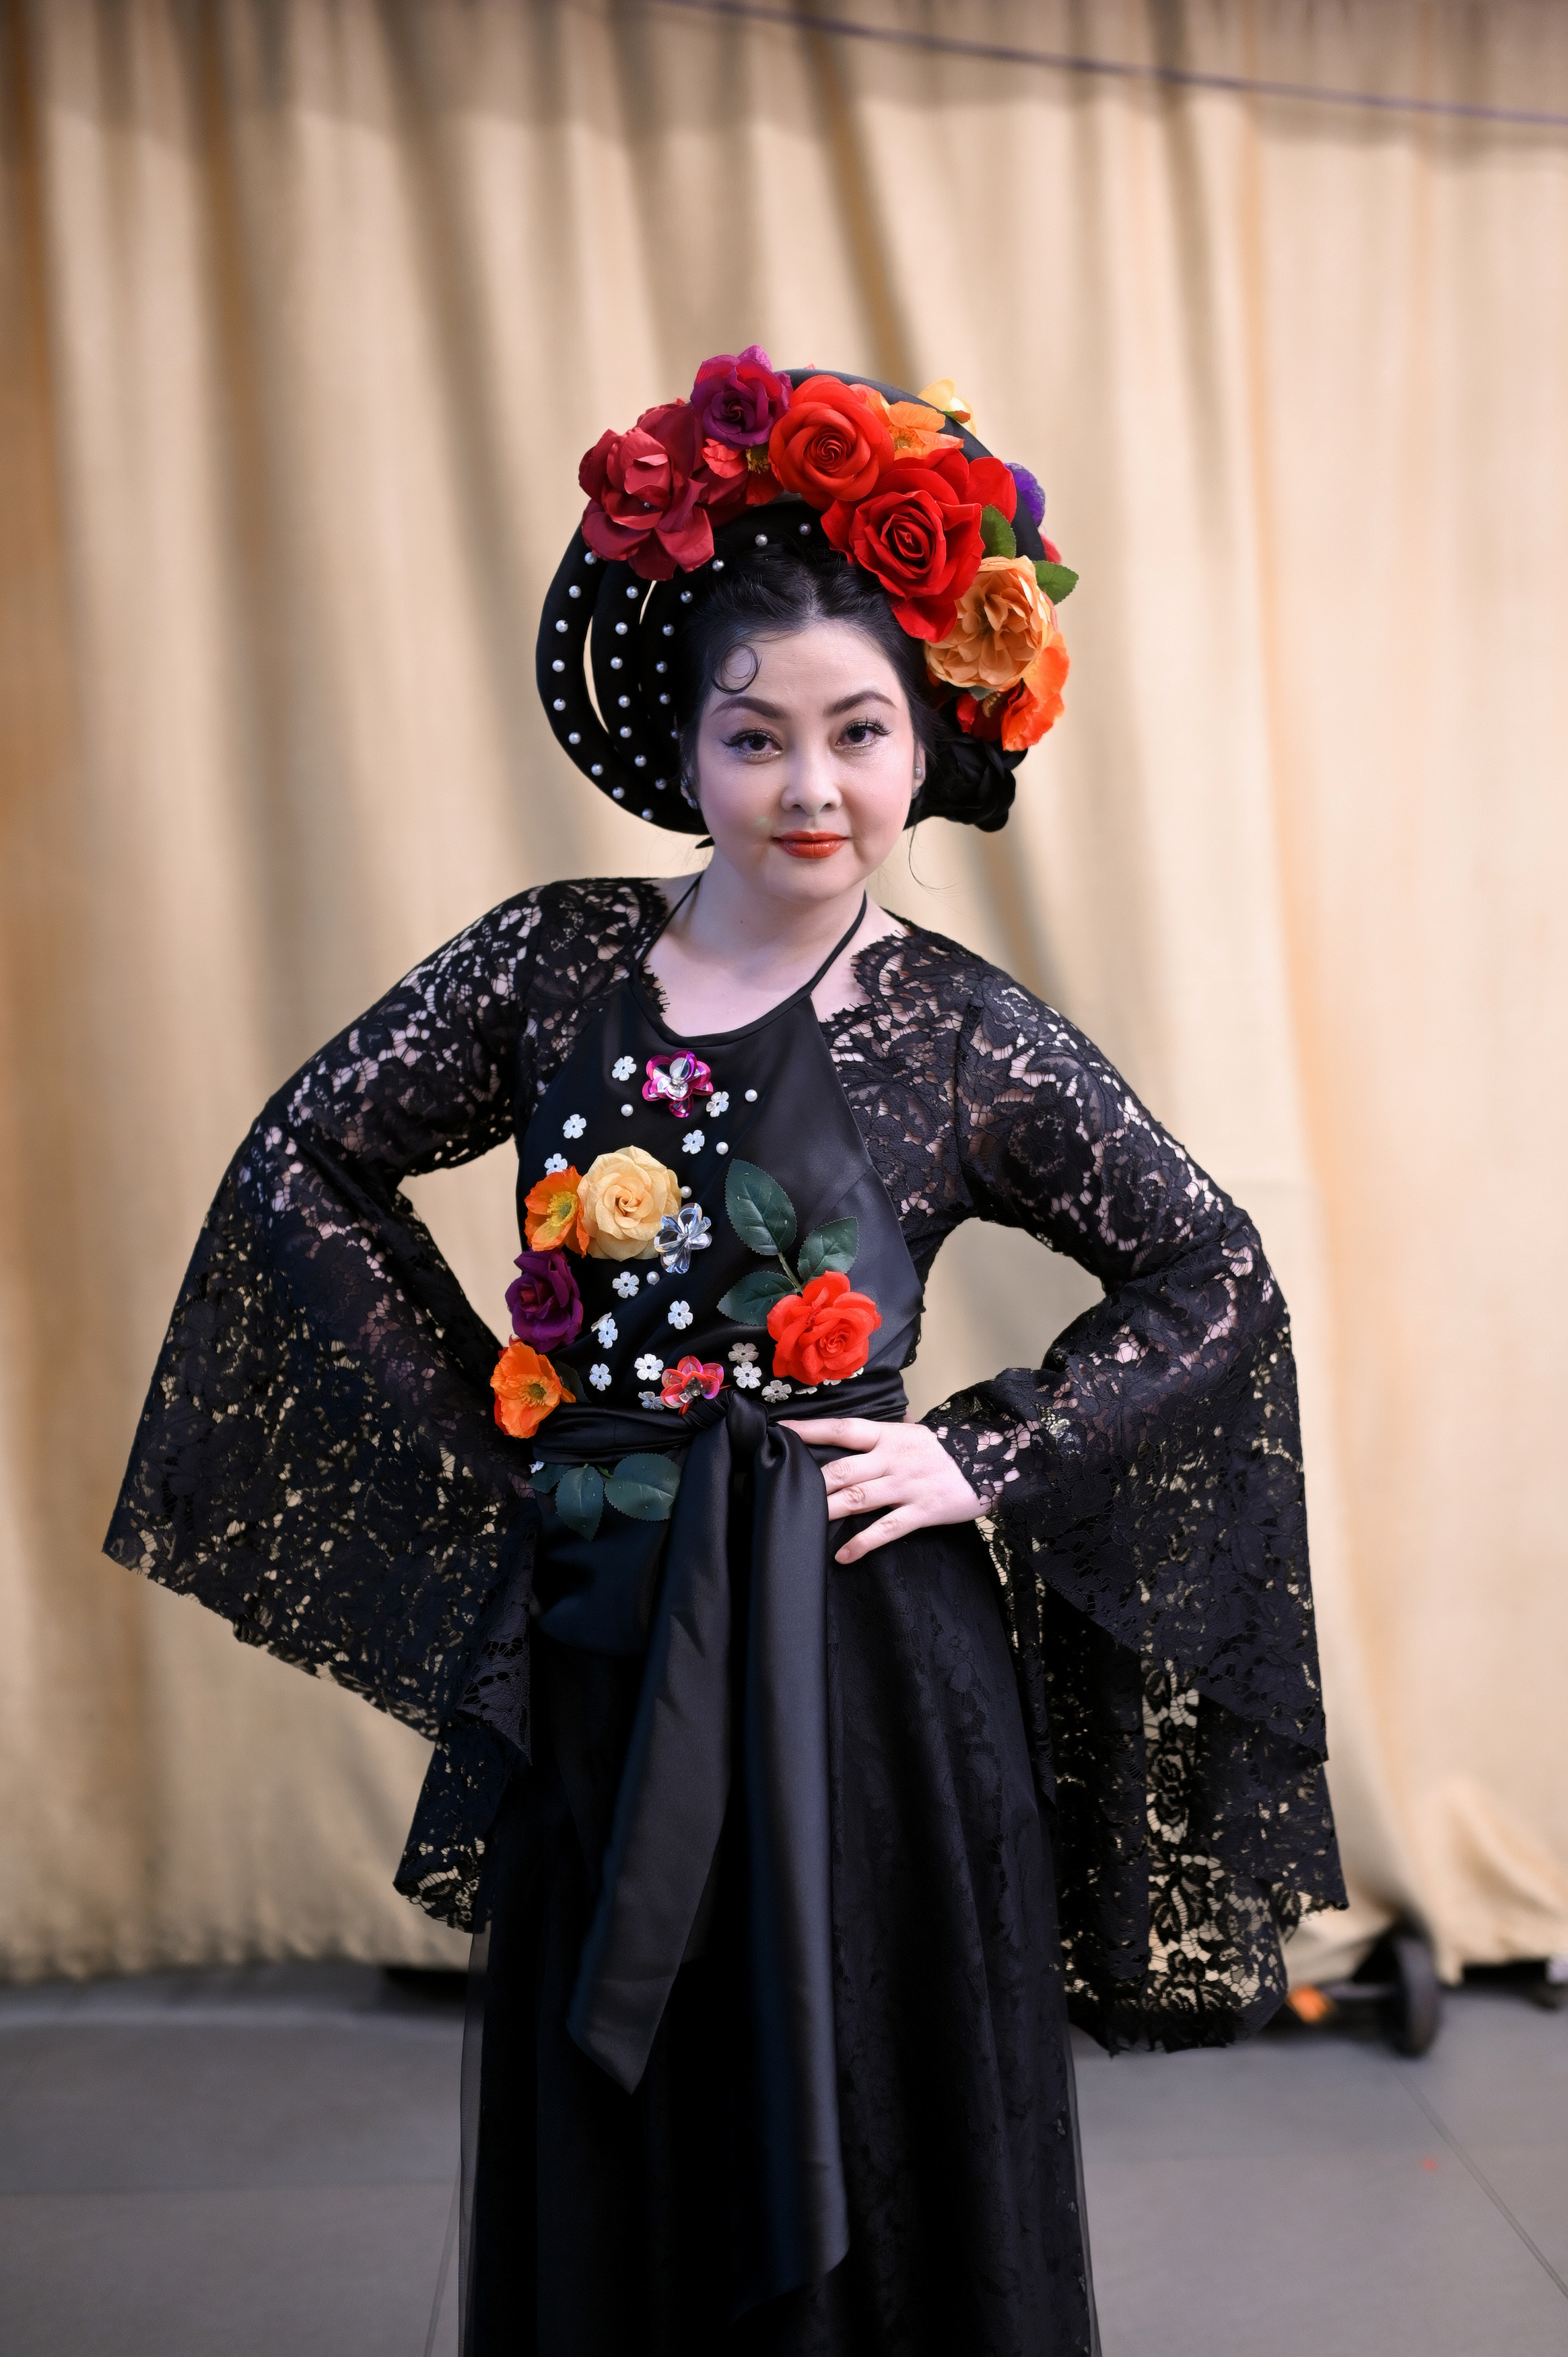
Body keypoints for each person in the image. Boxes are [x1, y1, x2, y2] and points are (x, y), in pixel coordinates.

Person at [107, 354, 1344, 2356]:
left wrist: (983, 1453)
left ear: (923, 740)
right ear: (684, 747)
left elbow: (1209, 1271)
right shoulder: (550, 964)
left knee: (867, 2085)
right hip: (604, 1631)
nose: (809, 789)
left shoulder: (958, 1029)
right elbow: (301, 1162)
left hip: (862, 1666)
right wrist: (497, 1436)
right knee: (627, 2114)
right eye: (756, 736)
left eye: (858, 734)